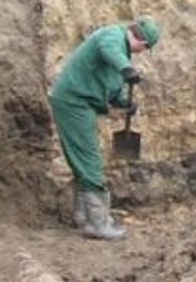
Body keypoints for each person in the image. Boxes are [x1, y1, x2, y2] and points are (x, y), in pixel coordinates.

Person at [48, 17, 160, 240]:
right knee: (90, 160)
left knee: (84, 159)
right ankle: (98, 224)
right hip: (74, 103)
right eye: (145, 49)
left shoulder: (121, 52)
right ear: (141, 41)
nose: (141, 53)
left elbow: (112, 87)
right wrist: (127, 68)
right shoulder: (113, 36)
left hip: (82, 103)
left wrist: (124, 102)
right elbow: (108, 50)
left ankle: (83, 217)